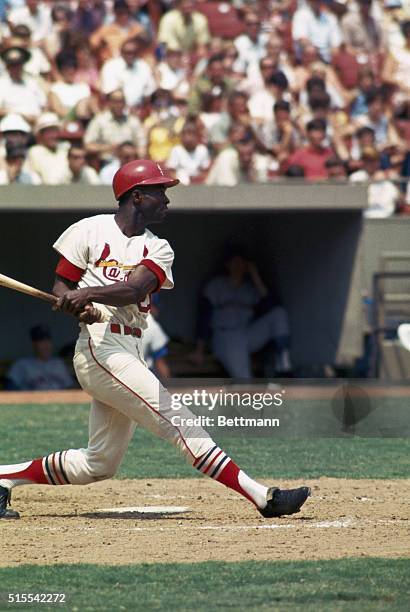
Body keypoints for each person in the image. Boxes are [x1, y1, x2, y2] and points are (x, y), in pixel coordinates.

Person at [0, 159, 310, 520]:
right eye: (158, 191)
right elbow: (61, 287)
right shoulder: (89, 230)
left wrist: (89, 296)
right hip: (100, 348)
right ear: (136, 196)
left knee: (98, 464)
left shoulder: (159, 247)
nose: (166, 199)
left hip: (129, 346)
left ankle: (2, 478)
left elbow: (135, 289)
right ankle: (263, 498)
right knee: (181, 422)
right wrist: (73, 304)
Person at [191, 245, 293, 379]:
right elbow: (203, 317)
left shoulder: (250, 288)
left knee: (279, 314)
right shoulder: (216, 285)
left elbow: (272, 306)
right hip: (226, 336)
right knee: (245, 380)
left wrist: (255, 276)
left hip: (247, 333)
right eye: (235, 262)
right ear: (227, 264)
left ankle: (283, 362)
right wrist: (199, 350)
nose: (239, 266)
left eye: (242, 263)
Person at [6, 325, 74, 391]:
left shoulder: (59, 363)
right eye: (41, 341)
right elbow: (9, 390)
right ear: (34, 344)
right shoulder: (22, 364)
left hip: (59, 400)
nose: (46, 344)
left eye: (48, 340)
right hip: (33, 401)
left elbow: (70, 388)